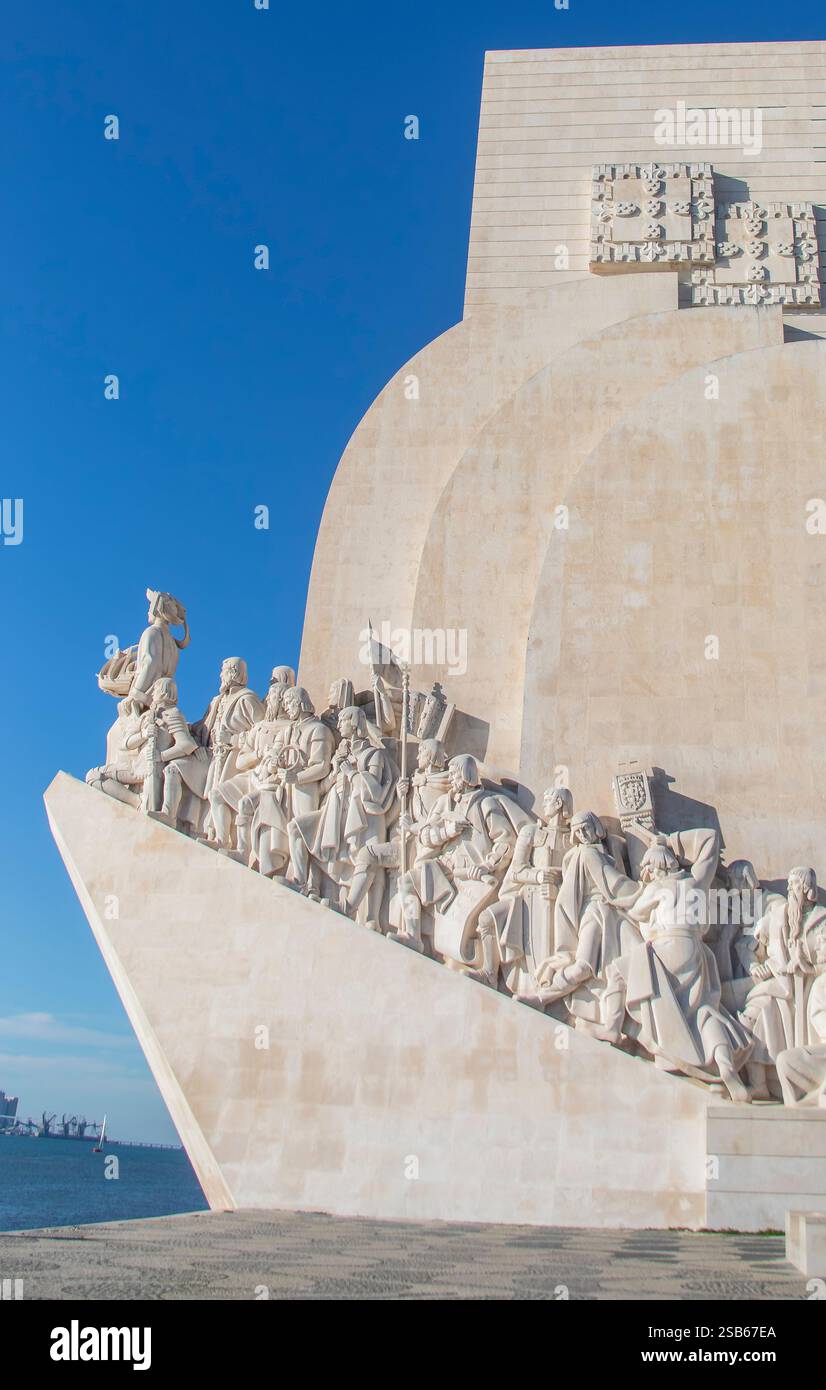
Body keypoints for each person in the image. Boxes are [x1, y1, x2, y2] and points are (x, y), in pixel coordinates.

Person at [597, 831, 753, 1102]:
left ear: (655, 869)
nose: (647, 876)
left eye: (648, 871)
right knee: (703, 1012)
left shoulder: (659, 889)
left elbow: (631, 910)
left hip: (668, 947)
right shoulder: (695, 883)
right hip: (697, 952)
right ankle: (726, 1067)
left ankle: (611, 1027)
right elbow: (710, 840)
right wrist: (671, 840)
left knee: (618, 971)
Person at [390, 753, 526, 957]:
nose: (451, 779)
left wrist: (487, 865)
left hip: (470, 875)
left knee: (462, 933)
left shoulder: (486, 804)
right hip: (444, 868)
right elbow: (426, 836)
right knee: (407, 883)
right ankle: (412, 936)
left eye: (454, 774)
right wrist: (448, 831)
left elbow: (506, 842)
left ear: (466, 775)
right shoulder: (446, 802)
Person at [288, 706, 396, 924]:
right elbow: (324, 789)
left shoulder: (373, 755)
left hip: (364, 815)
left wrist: (351, 772)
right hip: (335, 813)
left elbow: (374, 790)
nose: (338, 725)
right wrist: (335, 772)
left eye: (343, 721)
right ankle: (300, 880)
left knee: (367, 861)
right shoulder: (342, 754)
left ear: (354, 723)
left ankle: (362, 913)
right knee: (296, 828)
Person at [537, 810, 641, 1026]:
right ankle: (543, 997)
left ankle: (615, 1025)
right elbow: (614, 883)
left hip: (615, 914)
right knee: (584, 966)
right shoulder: (587, 854)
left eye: (585, 827)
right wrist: (644, 891)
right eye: (577, 831)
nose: (582, 834)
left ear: (596, 827)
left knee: (626, 966)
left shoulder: (609, 848)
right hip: (594, 912)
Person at [474, 786, 573, 996]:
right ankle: (490, 973)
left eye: (549, 799)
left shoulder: (573, 839)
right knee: (486, 919)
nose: (544, 802)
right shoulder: (532, 832)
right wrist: (537, 876)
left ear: (559, 804)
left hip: (556, 903)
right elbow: (517, 870)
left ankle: (546, 988)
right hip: (522, 898)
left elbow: (578, 878)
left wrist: (559, 887)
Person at [741, 867, 826, 1099]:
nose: (789, 890)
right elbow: (748, 944)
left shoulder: (822, 921)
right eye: (788, 885)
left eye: (794, 885)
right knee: (764, 1011)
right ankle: (761, 1082)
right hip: (782, 990)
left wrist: (807, 965)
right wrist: (754, 966)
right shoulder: (778, 915)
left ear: (807, 889)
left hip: (809, 993)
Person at [193, 658, 265, 849]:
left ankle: (223, 839)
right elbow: (202, 726)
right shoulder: (216, 701)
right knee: (212, 795)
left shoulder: (247, 699)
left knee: (220, 795)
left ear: (233, 673)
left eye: (223, 671)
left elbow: (261, 731)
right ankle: (212, 834)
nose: (220, 675)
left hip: (233, 756)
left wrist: (233, 740)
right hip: (212, 754)